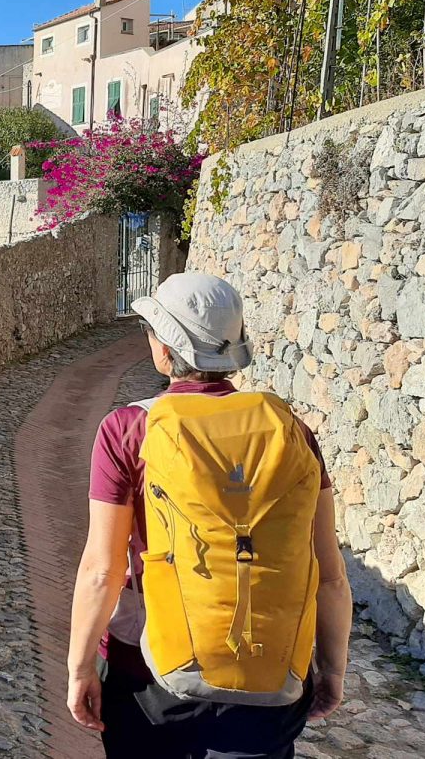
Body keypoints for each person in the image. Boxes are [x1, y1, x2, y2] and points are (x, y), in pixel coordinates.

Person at [66, 272, 352, 758]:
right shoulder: (291, 431)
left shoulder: (128, 429)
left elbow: (102, 571)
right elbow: (329, 574)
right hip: (271, 672)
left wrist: (79, 669)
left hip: (147, 671)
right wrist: (332, 668)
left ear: (163, 348)